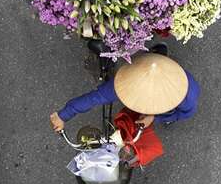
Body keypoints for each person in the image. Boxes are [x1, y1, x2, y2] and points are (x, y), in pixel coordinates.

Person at [49, 47, 200, 133]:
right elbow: (94, 98)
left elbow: (182, 115)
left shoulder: (188, 96)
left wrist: (156, 118)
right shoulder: (124, 84)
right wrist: (63, 115)